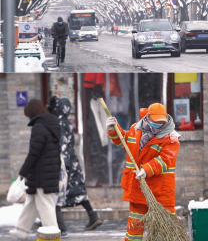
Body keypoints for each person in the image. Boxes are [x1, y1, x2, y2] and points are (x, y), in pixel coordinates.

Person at [106, 103, 180, 241]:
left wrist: (146, 170)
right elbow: (125, 143)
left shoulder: (171, 137)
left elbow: (166, 160)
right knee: (134, 228)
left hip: (161, 191)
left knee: (167, 231)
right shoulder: (136, 129)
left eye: (161, 121)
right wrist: (114, 130)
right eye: (156, 120)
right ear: (148, 117)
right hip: (138, 188)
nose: (159, 124)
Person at [47, 97, 103, 234]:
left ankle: (49, 222)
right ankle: (92, 215)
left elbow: (62, 144)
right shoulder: (66, 122)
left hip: (64, 162)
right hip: (73, 161)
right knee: (78, 191)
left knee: (56, 192)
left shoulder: (58, 123)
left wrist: (60, 163)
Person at [9, 100, 61, 239]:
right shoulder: (50, 125)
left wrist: (23, 171)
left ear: (32, 113)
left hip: (41, 174)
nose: (28, 118)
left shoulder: (39, 127)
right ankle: (22, 229)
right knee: (31, 202)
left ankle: (53, 234)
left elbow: (34, 152)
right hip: (46, 171)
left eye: (28, 115)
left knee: (45, 206)